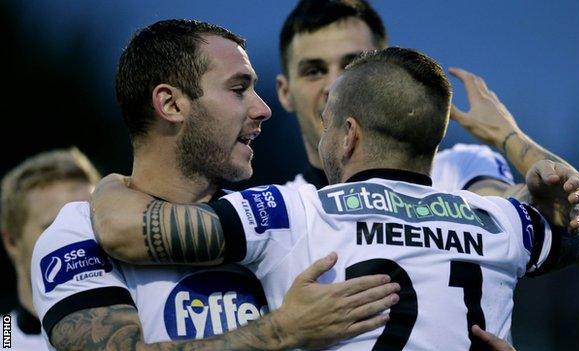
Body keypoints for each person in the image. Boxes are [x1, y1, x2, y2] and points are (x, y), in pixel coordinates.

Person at [88, 48, 579, 350]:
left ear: (348, 135)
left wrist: (110, 181)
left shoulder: (294, 212)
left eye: (326, 127)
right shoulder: (500, 221)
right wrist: (507, 136)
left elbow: (121, 230)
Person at [29, 19, 399, 351]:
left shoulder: (276, 223)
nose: (263, 109)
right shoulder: (76, 235)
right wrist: (279, 332)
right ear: (171, 104)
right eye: (239, 89)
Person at [277, 0, 516, 194]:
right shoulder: (274, 220)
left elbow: (533, 221)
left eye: (353, 65)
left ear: (387, 71)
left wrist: (508, 137)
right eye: (314, 71)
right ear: (285, 93)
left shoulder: (461, 171)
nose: (334, 86)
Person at [0, 148, 100, 350]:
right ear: (12, 242)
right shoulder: (5, 335)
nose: (81, 241)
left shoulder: (146, 326)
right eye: (56, 229)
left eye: (91, 223)